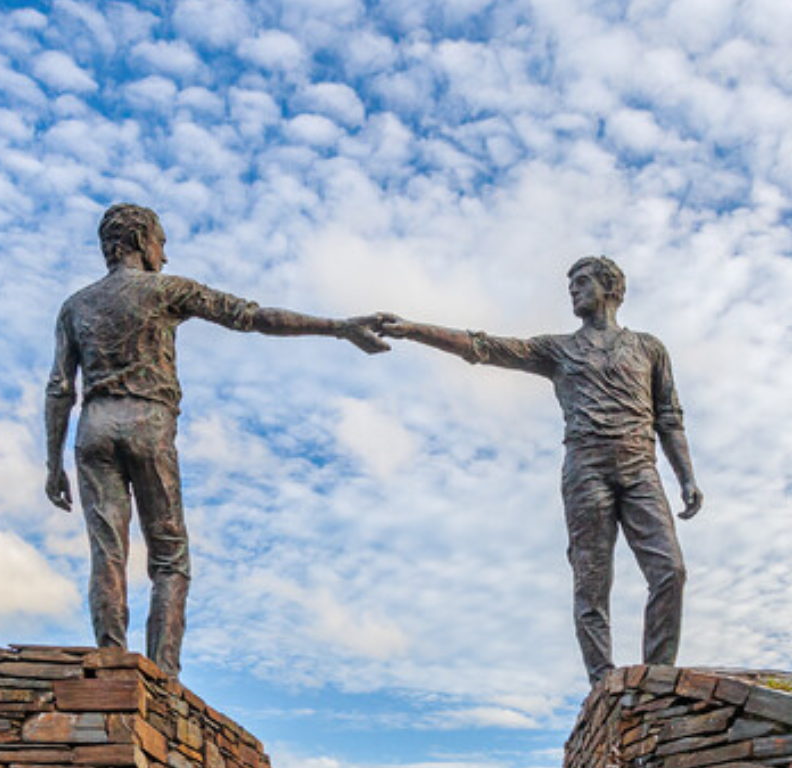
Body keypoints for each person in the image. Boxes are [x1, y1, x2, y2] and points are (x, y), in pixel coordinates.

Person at [45, 203, 388, 676]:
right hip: (148, 423)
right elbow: (252, 316)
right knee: (170, 558)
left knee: (108, 553)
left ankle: (109, 660)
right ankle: (163, 676)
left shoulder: (75, 306)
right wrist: (337, 328)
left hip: (94, 428)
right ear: (142, 241)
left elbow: (60, 387)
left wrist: (51, 462)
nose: (164, 255)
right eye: (161, 242)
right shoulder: (166, 290)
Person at [375, 256, 702, 684]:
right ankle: (602, 683)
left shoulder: (649, 348)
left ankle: (657, 681)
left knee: (670, 571)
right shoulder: (559, 349)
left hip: (641, 467)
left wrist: (686, 476)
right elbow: (486, 348)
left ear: (610, 288)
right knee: (591, 581)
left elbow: (669, 417)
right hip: (586, 469)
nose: (573, 290)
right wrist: (414, 329)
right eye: (571, 284)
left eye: (582, 282)